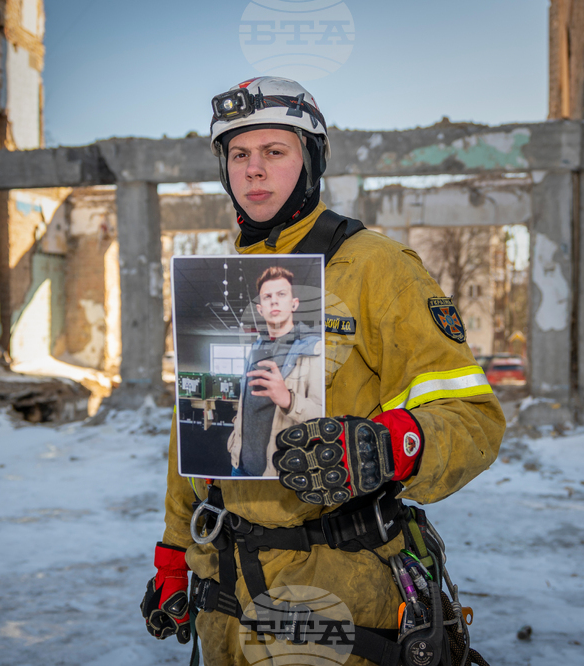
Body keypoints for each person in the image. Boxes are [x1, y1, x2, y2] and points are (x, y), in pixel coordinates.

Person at [140, 77, 506, 665]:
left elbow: (471, 417)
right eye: (239, 154)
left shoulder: (377, 268)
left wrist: (389, 446)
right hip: (224, 595)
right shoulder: (221, 284)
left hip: (336, 600)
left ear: (311, 160)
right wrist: (175, 552)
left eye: (274, 151)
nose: (254, 169)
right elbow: (197, 432)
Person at [226, 266, 323, 477]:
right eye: (267, 297)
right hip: (239, 466)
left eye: (281, 294)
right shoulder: (255, 347)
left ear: (294, 304)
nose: (274, 301)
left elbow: (323, 416)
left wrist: (289, 400)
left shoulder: (314, 348)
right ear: (260, 309)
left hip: (278, 474)